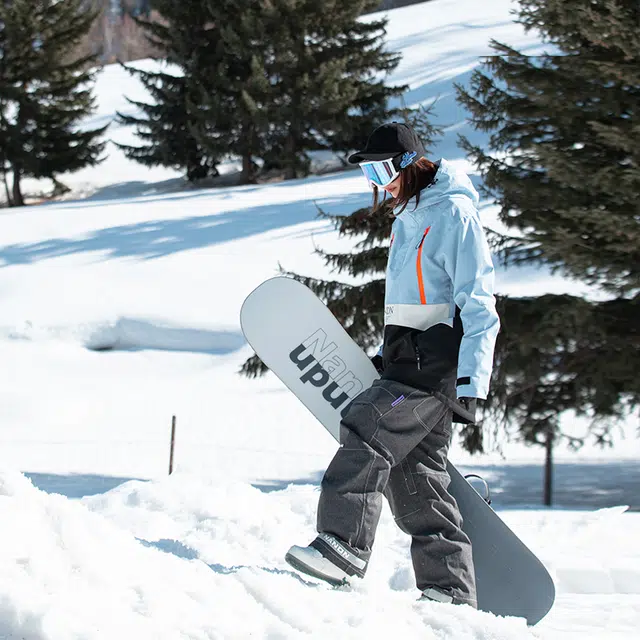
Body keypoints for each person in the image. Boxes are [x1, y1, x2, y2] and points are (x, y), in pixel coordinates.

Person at [285, 122, 500, 607]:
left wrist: (472, 379)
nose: (378, 182)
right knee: (416, 476)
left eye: (382, 169)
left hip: (433, 372)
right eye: (369, 172)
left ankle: (344, 547)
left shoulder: (454, 214)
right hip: (408, 363)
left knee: (366, 424)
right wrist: (391, 351)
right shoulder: (410, 215)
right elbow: (416, 302)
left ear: (409, 163)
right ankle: (449, 591)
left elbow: (479, 302)